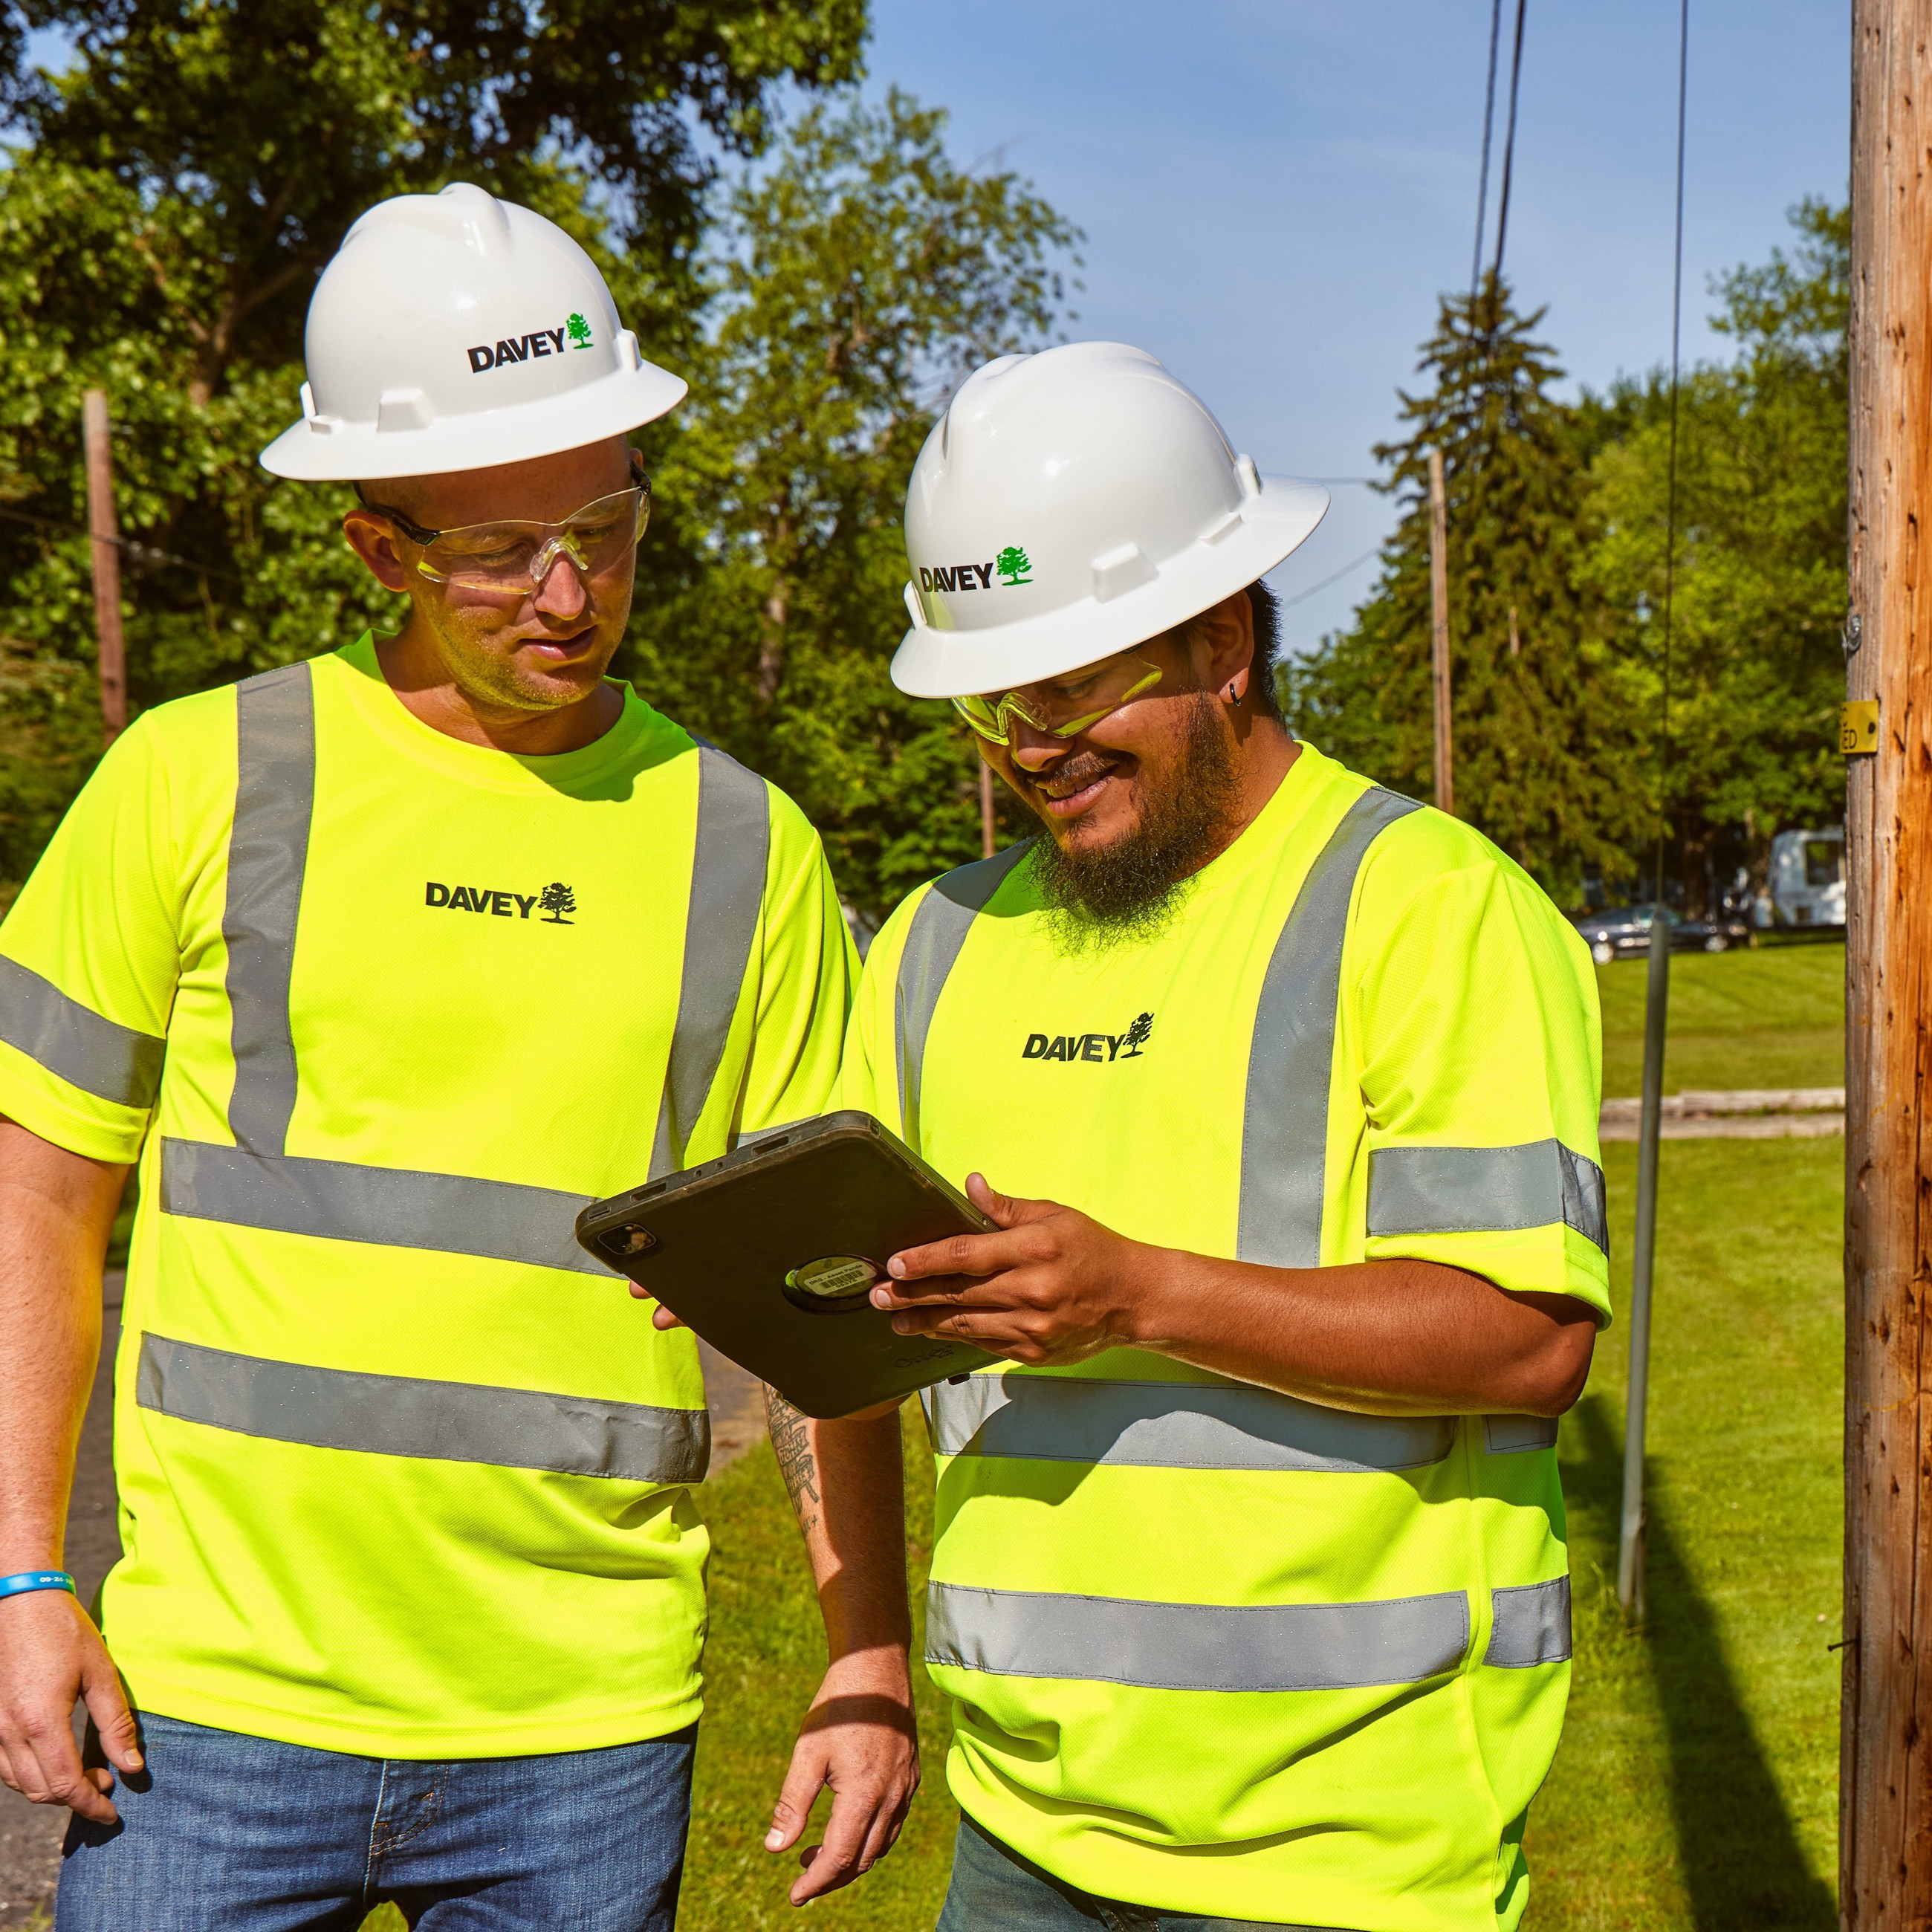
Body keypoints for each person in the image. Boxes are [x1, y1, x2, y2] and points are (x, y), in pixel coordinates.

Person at [0, 184, 915, 1931]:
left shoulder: (748, 847)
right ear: (378, 548)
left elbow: (827, 1295)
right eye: (501, 550)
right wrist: (23, 1577)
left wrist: (864, 1647)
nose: (570, 594)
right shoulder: (202, 779)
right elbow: (35, 1197)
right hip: (212, 1717)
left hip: (585, 1728)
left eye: (607, 525)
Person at [837, 341, 1607, 1929]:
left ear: (1223, 639)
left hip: (1357, 1850)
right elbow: (863, 1335)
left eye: (1068, 687)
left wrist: (1134, 1295)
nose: (1029, 746)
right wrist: (783, 1292)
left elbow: (1527, 1339)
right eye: (994, 702)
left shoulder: (1432, 907)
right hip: (1021, 1835)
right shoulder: (929, 941)